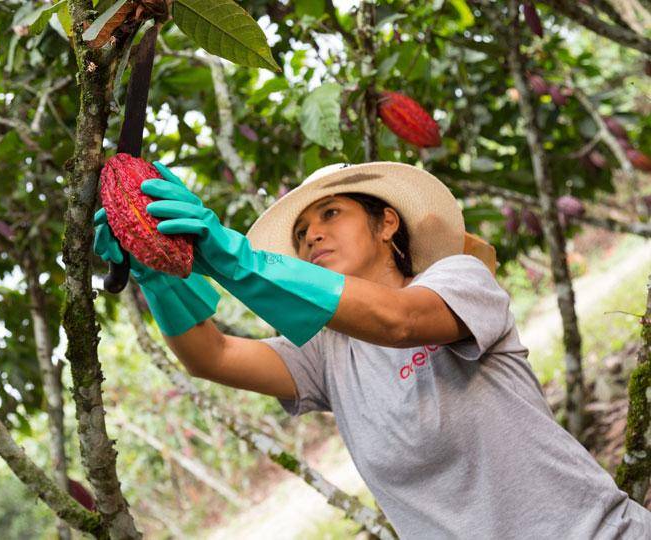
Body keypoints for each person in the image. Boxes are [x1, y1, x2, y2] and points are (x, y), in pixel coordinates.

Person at [93, 160, 651, 538]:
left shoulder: (458, 280)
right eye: (302, 231)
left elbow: (400, 322)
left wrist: (234, 257)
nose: (311, 234)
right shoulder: (326, 353)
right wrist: (158, 275)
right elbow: (211, 356)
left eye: (330, 214)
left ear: (387, 223)